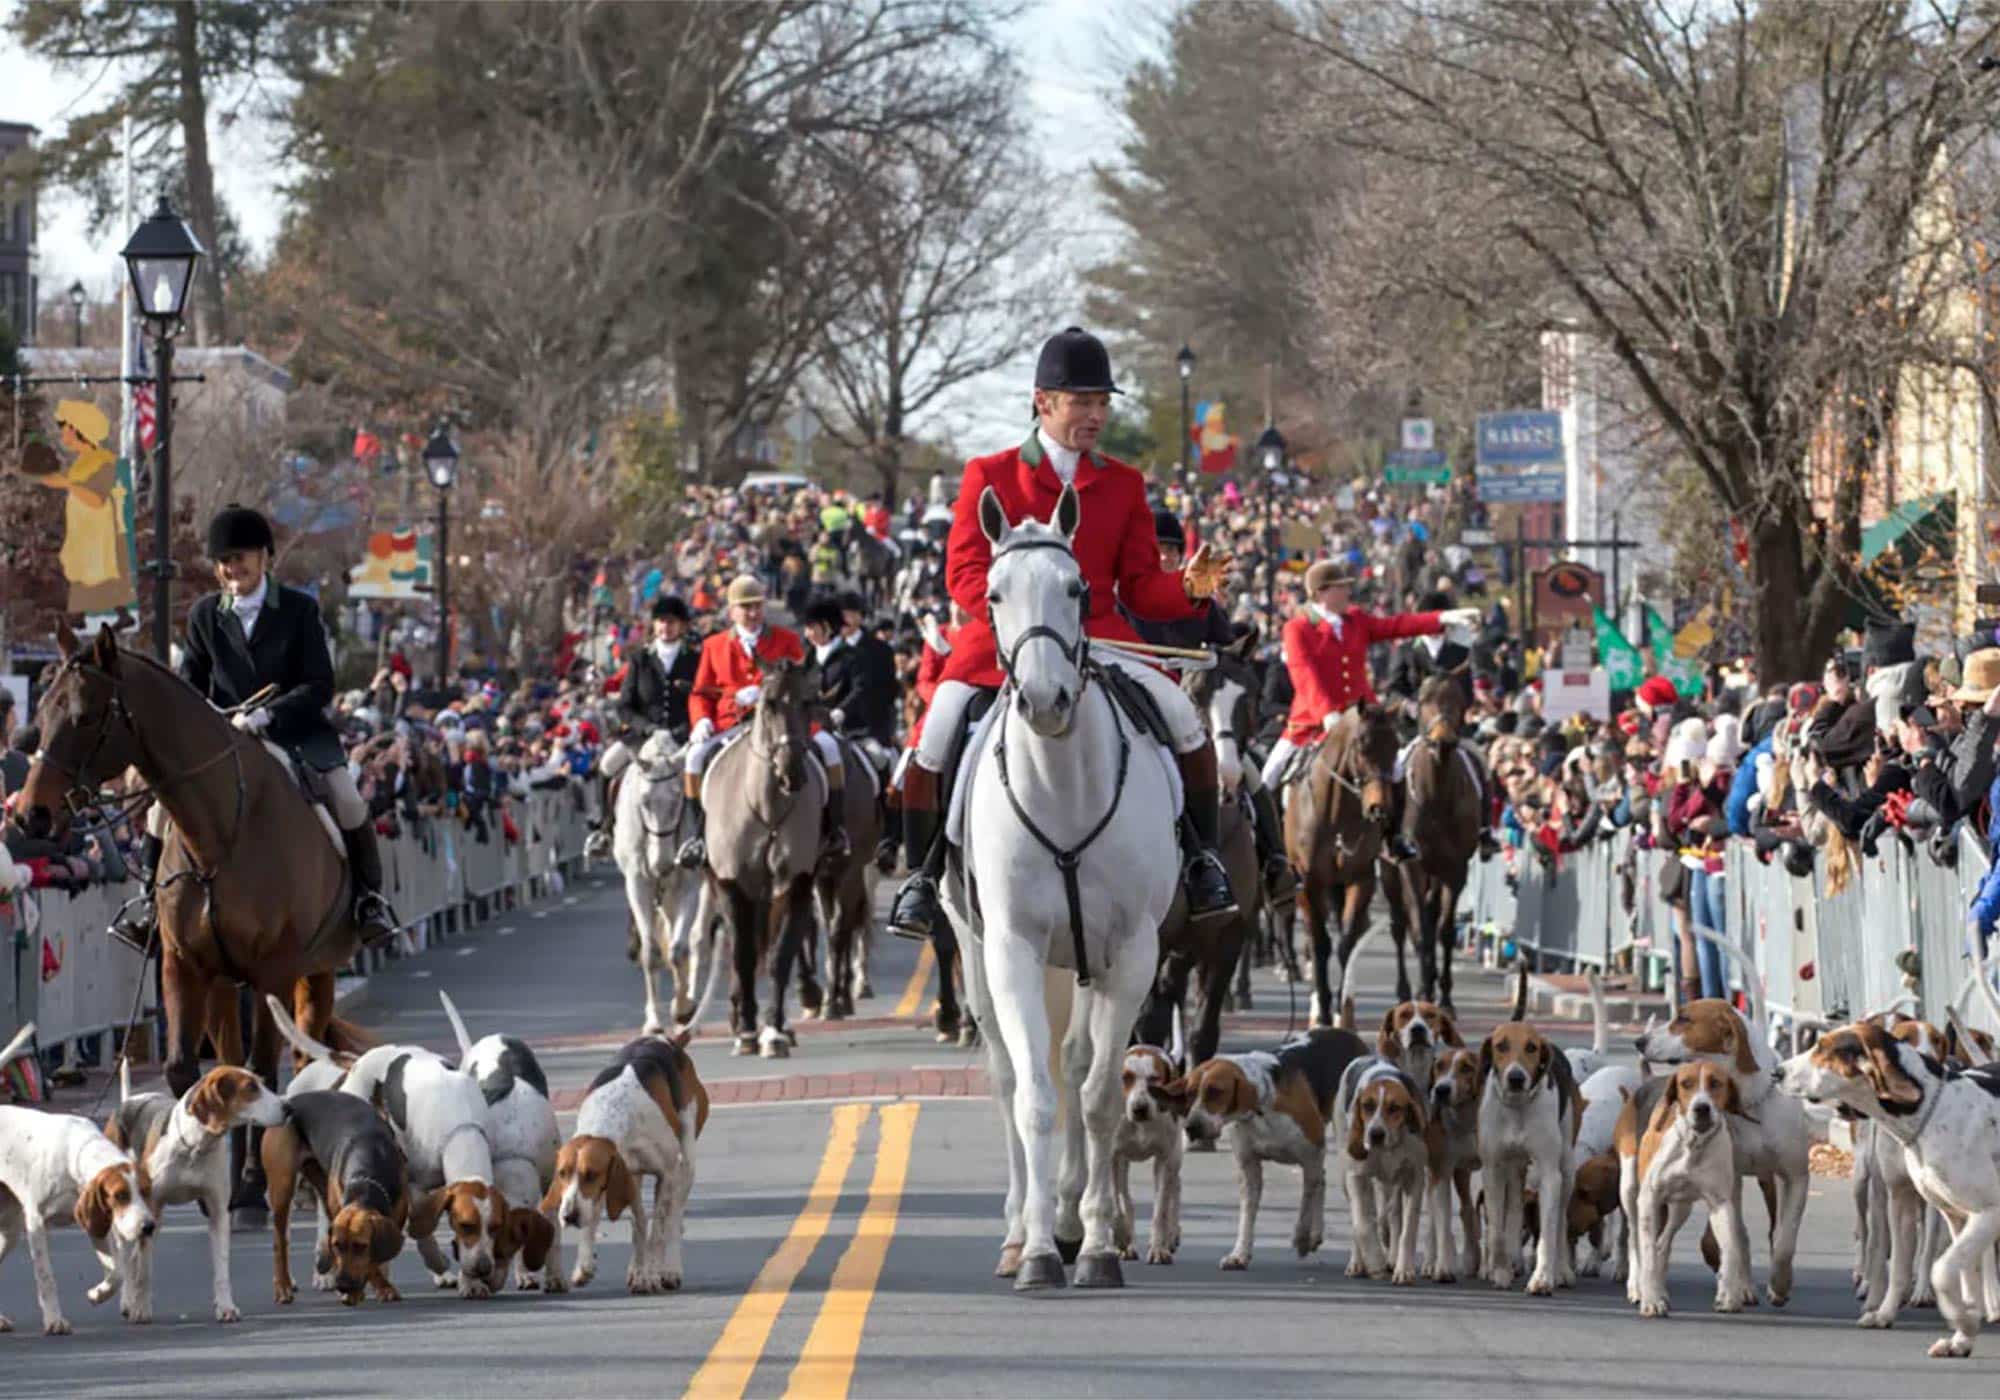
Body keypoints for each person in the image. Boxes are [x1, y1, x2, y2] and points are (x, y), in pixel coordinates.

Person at [888, 326, 1237, 939]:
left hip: (1101, 637)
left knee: (1183, 717)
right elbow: (964, 572)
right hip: (1003, 644)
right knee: (936, 733)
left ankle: (1203, 859)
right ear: (1042, 402)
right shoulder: (988, 473)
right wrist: (1023, 618)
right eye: (1082, 402)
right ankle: (920, 877)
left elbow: (1135, 586)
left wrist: (1187, 587)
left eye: (1102, 402)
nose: (1096, 415)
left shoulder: (1124, 483)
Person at [113, 504, 397, 951]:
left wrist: (269, 715)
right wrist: (207, 718)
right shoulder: (207, 614)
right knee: (160, 808)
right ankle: (148, 905)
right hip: (223, 739)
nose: (232, 568)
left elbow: (319, 683)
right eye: (224, 560)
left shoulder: (299, 610)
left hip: (294, 733)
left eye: (241, 557)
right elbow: (190, 683)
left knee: (345, 797)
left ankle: (369, 901)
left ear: (265, 557)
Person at [1261, 560, 1479, 861]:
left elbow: (1396, 626)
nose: (1349, 591)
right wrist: (1328, 714)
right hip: (1312, 721)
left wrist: (1443, 618)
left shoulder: (1355, 620)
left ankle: (1395, 837)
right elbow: (1304, 674)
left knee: (1398, 769)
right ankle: (1270, 852)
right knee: (1267, 778)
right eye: (1342, 587)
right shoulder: (1297, 628)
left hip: (1365, 718)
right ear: (1322, 592)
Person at [1129, 508, 1295, 901]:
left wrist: (1242, 636)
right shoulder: (1128, 598)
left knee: (1250, 769)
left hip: (1193, 708)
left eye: (1172, 549)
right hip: (1138, 704)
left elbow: (1224, 642)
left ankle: (1274, 860)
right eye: (1159, 549)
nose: (1166, 556)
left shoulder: (1199, 596)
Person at [674, 575, 849, 871]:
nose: (752, 613)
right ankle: (698, 835)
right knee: (693, 758)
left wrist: (773, 691)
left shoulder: (787, 639)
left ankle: (833, 831)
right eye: (745, 607)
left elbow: (806, 683)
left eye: (756, 606)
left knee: (830, 748)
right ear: (732, 612)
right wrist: (703, 719)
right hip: (732, 721)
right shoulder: (714, 646)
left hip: (785, 723)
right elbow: (700, 692)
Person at [587, 594, 699, 856]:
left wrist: (683, 730)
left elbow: (700, 701)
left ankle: (702, 837)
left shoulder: (694, 660)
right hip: (644, 738)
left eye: (672, 622)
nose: (666, 627)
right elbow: (624, 706)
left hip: (683, 738)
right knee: (606, 766)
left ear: (682, 626)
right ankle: (604, 830)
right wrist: (648, 728)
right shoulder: (640, 660)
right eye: (661, 621)